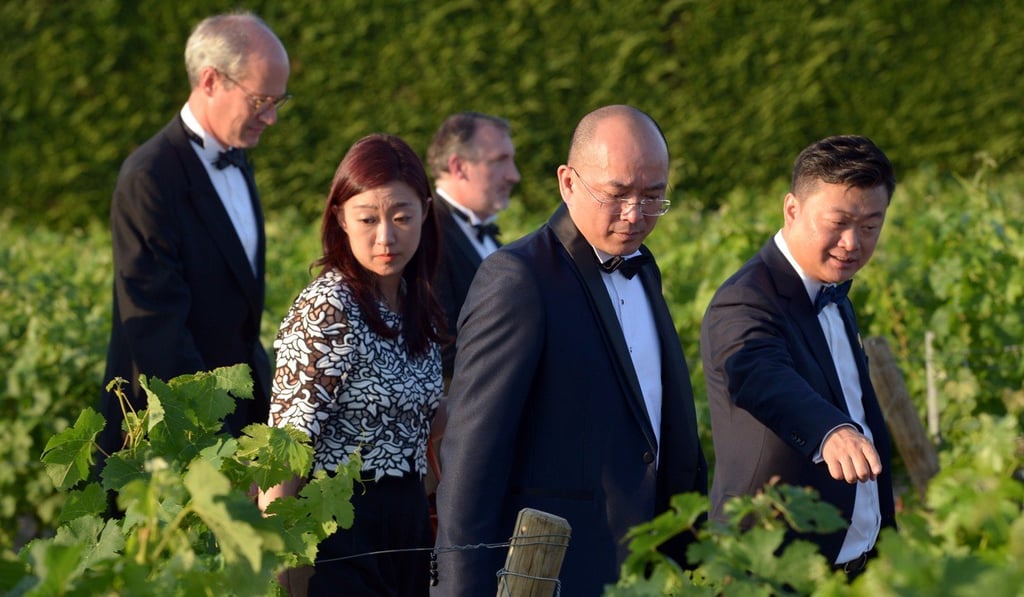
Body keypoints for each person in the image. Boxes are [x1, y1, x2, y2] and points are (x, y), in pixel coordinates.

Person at [432, 105, 708, 596]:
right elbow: (472, 454)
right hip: (557, 575)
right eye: (617, 194)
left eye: (653, 197)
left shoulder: (643, 268)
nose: (635, 215)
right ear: (568, 182)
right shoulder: (517, 279)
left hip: (651, 569)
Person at [700, 135, 898, 579]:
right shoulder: (744, 299)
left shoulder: (834, 295)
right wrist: (829, 430)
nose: (853, 243)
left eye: (870, 227)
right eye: (840, 222)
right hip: (772, 567)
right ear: (792, 209)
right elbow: (757, 373)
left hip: (856, 564)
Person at [259, 134, 446, 596]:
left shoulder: (414, 303)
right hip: (337, 530)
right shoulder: (329, 305)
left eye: (402, 217)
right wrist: (280, 571)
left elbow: (430, 424)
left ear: (425, 211)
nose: (386, 237)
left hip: (407, 531)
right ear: (340, 218)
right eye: (368, 219)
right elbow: (286, 449)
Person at [98, 12, 290, 457]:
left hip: (241, 407)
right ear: (210, 81)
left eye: (280, 101)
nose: (272, 117)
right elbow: (157, 325)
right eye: (262, 99)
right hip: (177, 427)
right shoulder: (149, 177)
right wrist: (210, 440)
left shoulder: (239, 157)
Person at [425, 111, 520, 381]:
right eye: (500, 161)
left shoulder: (489, 237)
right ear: (459, 167)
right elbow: (439, 345)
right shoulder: (428, 231)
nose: (514, 176)